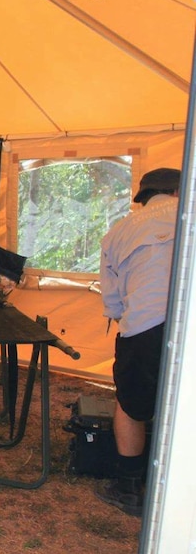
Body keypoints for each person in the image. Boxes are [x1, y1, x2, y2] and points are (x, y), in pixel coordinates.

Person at [96, 167, 181, 517]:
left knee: (131, 404)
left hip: (145, 324)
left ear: (143, 197)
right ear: (179, 191)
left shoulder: (119, 231)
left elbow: (114, 303)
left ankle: (128, 487)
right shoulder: (187, 213)